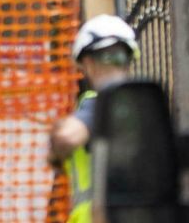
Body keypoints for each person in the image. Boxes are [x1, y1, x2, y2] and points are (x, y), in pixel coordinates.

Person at [51, 15, 140, 223]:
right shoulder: (132, 107)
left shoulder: (105, 105)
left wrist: (55, 149)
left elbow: (66, 139)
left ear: (86, 64)